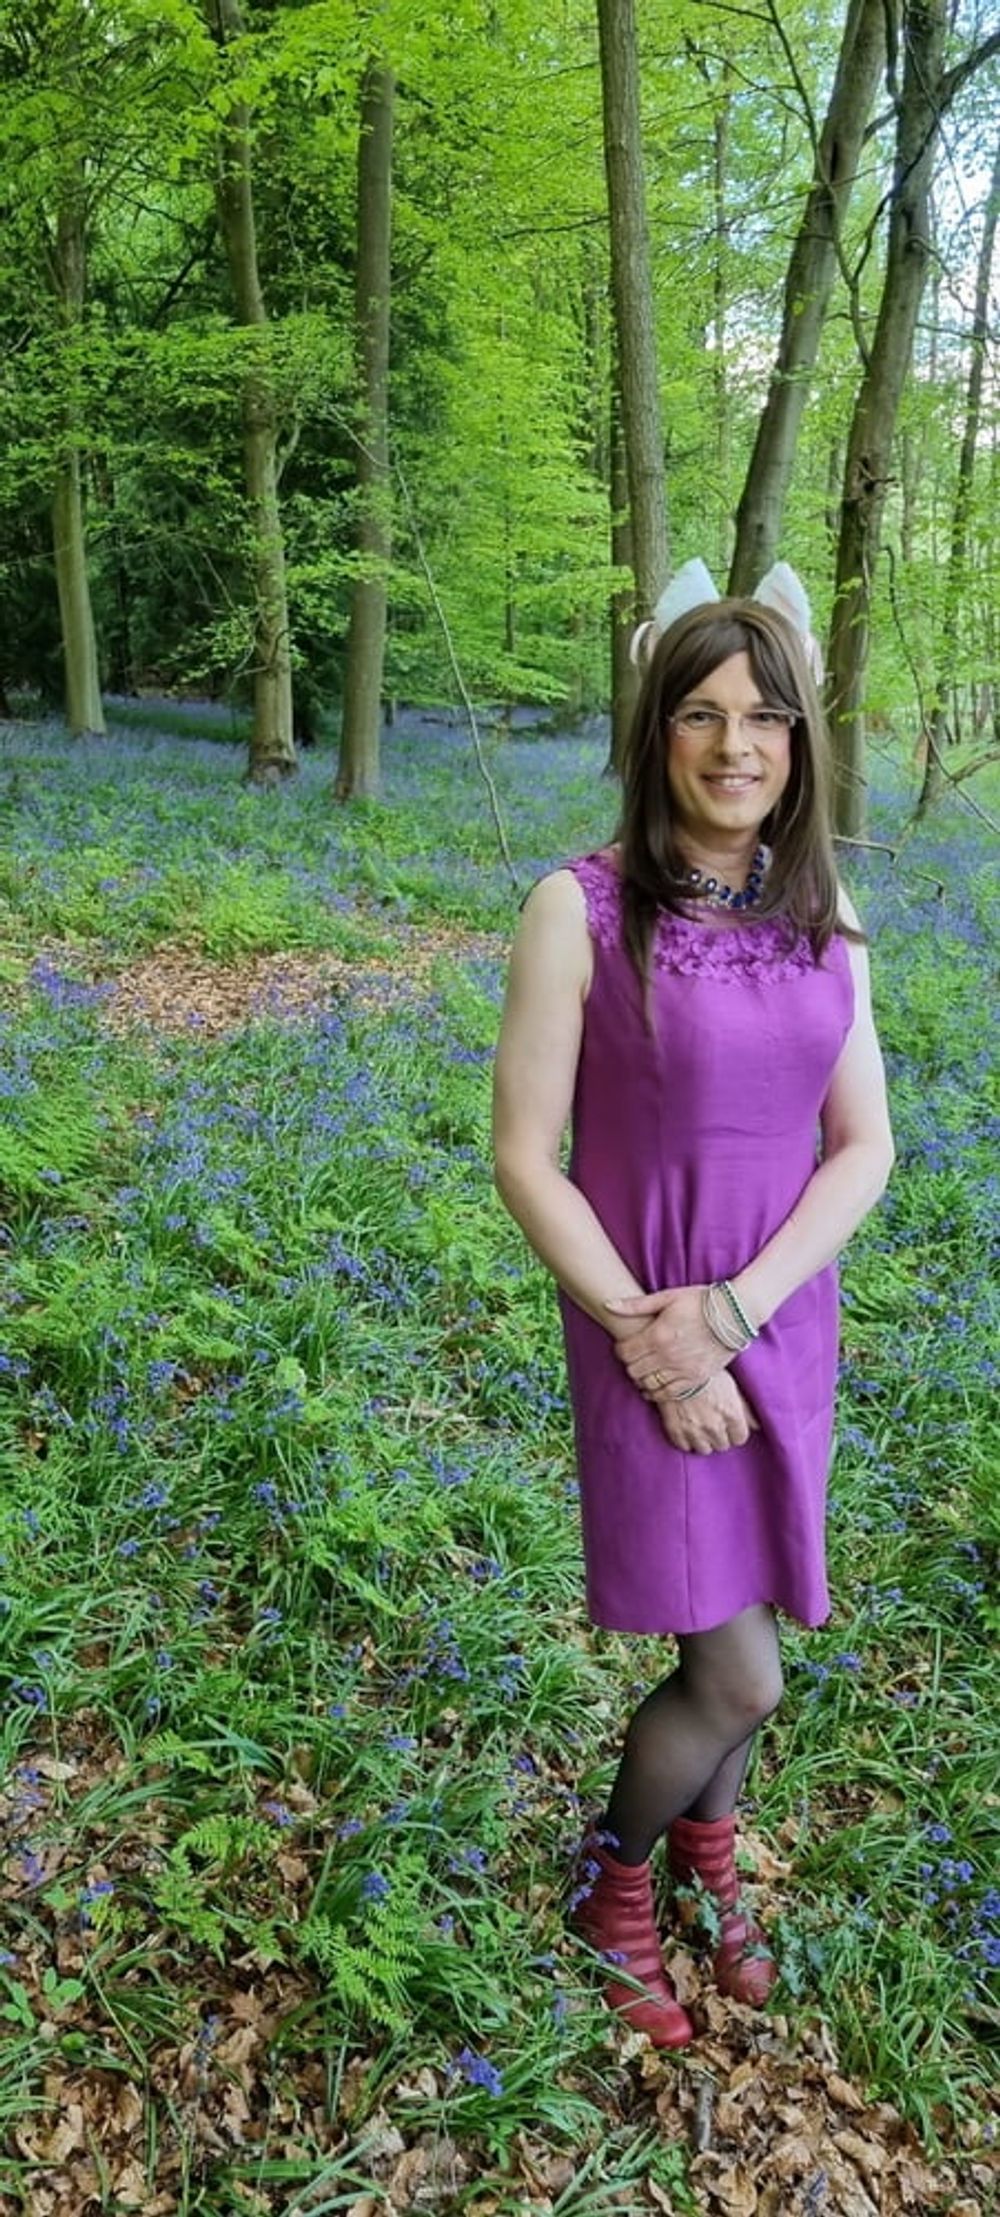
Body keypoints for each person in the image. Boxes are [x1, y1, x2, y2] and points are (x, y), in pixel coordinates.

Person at [492, 562, 894, 2049]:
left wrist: (739, 1311)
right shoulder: (578, 909)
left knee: (729, 1642)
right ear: (656, 728)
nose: (740, 745)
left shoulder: (825, 908)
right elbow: (524, 1155)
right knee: (739, 1671)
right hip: (637, 1321)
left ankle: (709, 1861)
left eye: (769, 717)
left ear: (800, 743)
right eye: (706, 714)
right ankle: (612, 1886)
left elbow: (866, 1146)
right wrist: (658, 1339)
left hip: (778, 1319)